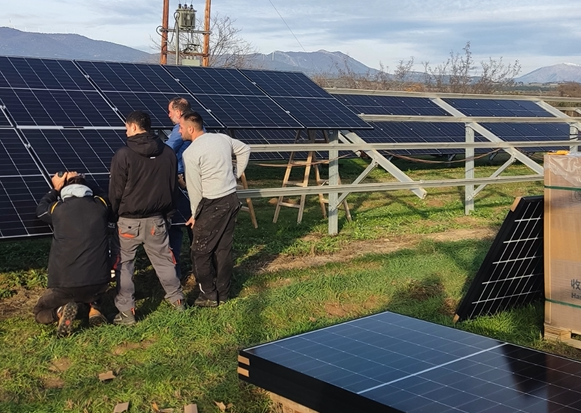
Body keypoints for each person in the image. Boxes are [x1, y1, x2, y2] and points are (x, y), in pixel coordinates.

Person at [109, 110, 185, 325]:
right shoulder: (168, 153)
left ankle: (127, 311)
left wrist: (113, 215)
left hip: (128, 221)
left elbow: (116, 190)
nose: (126, 131)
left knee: (125, 265)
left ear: (133, 127)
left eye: (126, 127)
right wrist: (168, 214)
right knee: (165, 261)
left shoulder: (123, 154)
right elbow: (172, 188)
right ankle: (177, 300)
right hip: (157, 220)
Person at [180, 111, 251, 307]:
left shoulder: (190, 153)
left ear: (191, 129)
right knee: (223, 249)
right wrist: (235, 175)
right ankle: (223, 293)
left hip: (212, 203)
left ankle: (208, 295)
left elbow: (194, 189)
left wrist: (195, 215)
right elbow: (245, 149)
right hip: (231, 199)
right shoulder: (222, 138)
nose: (179, 131)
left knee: (199, 251)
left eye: (181, 127)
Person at [34, 172, 111, 337]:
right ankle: (94, 308)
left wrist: (55, 189)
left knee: (40, 311)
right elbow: (104, 195)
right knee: (91, 290)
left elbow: (40, 210)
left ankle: (60, 312)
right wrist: (85, 180)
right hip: (99, 283)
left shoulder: (57, 209)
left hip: (65, 285)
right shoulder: (101, 206)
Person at [166, 97, 192, 280]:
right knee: (194, 224)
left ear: (178, 112)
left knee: (175, 224)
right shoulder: (198, 126)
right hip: (193, 178)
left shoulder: (180, 129)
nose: (168, 115)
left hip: (182, 179)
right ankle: (202, 266)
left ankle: (175, 272)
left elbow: (167, 151)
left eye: (170, 111)